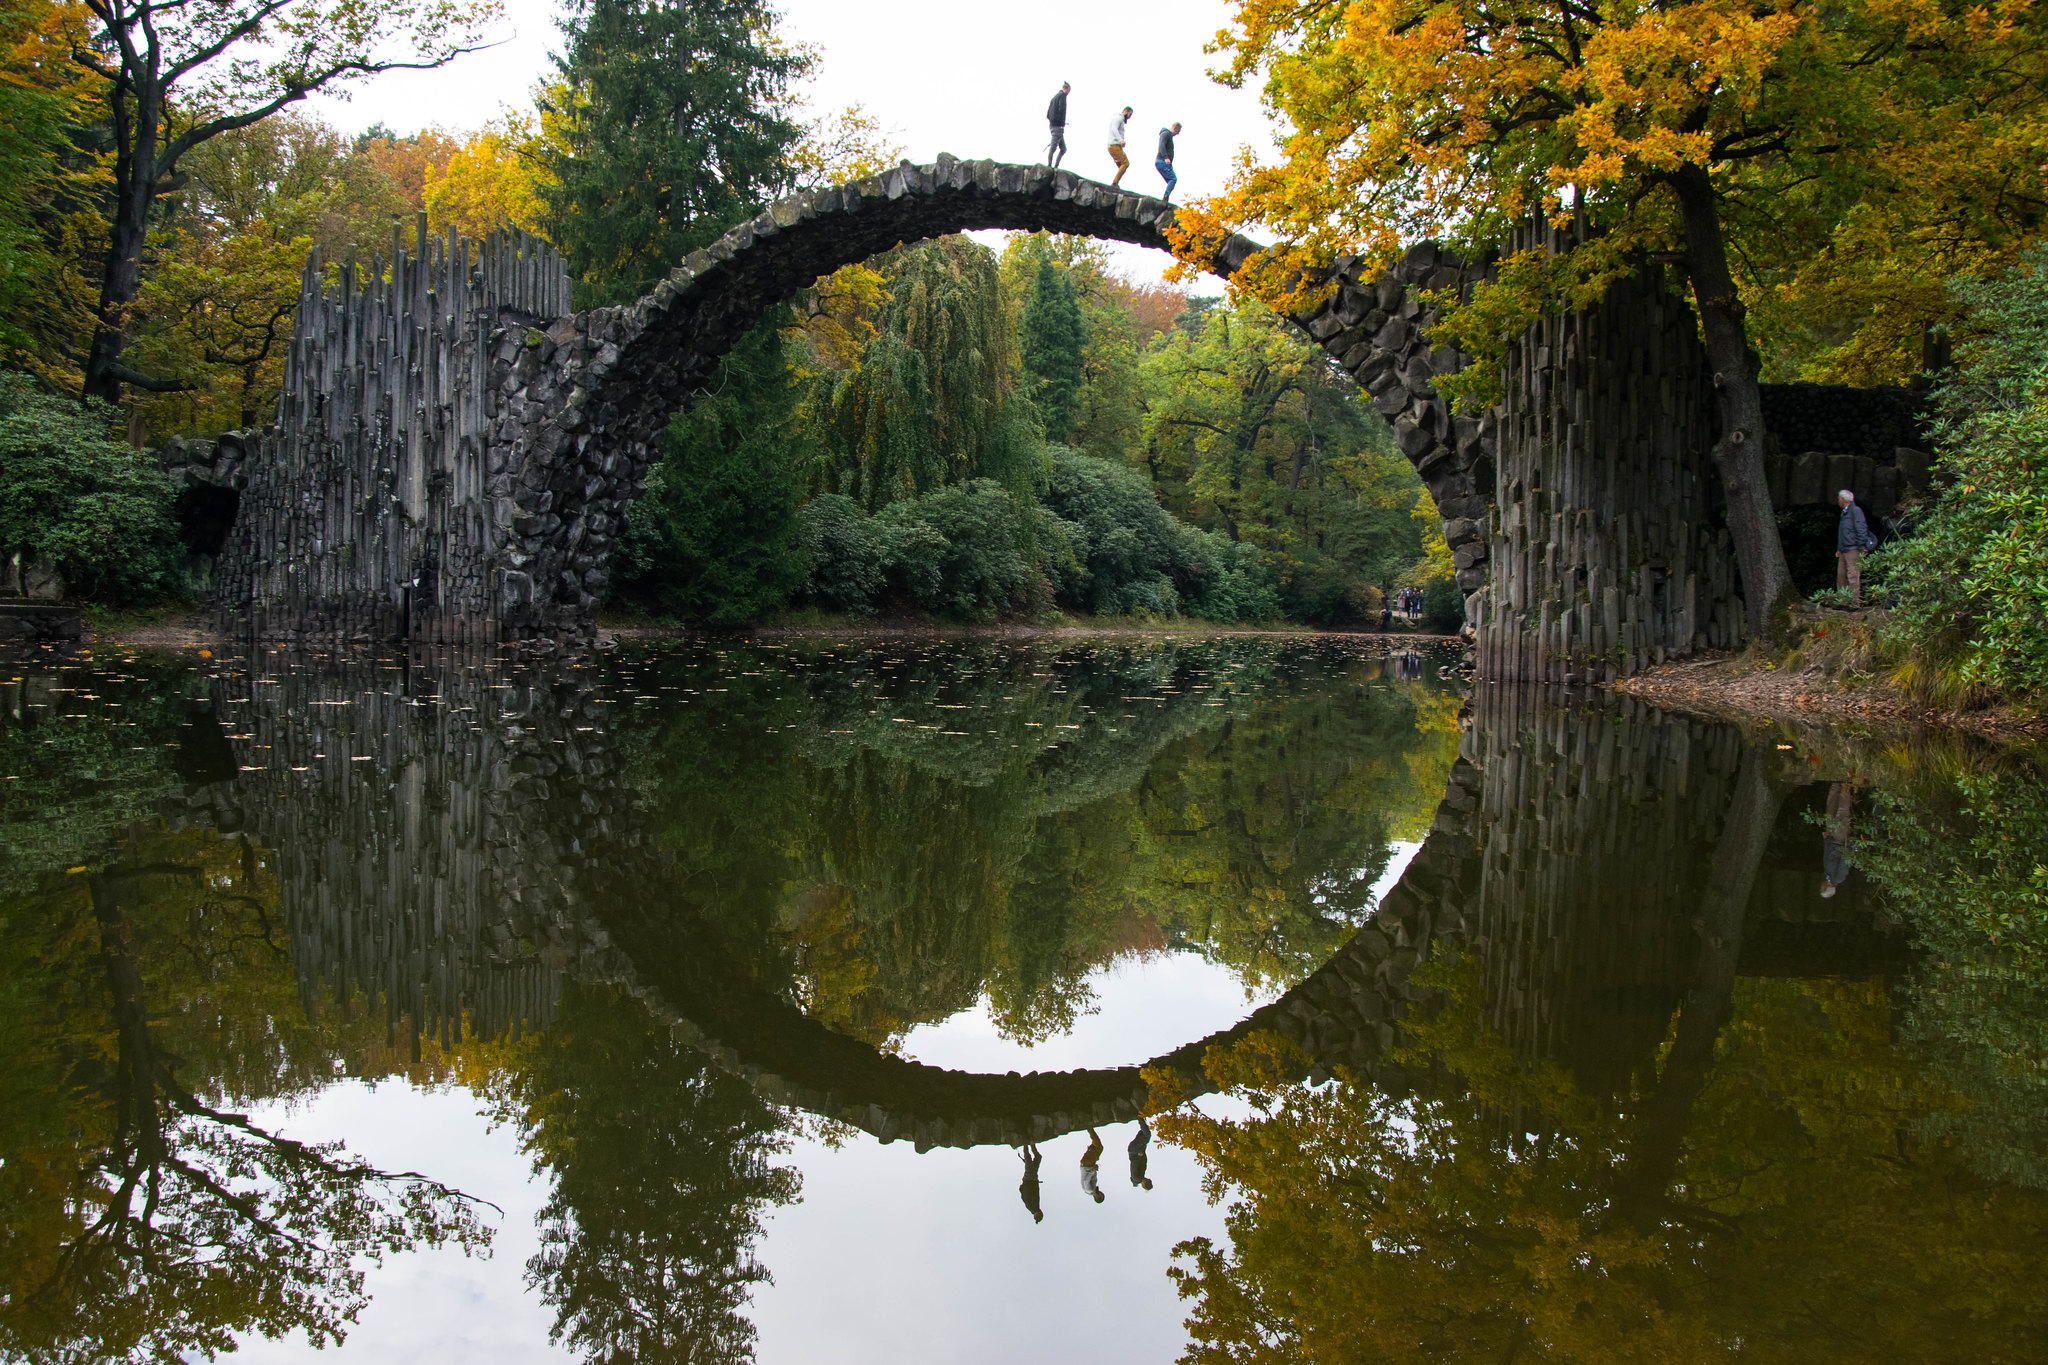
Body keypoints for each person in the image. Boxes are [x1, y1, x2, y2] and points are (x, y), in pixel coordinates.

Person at [1836, 489, 1877, 606]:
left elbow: (1861, 528)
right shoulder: (1845, 512)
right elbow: (1843, 532)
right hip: (1844, 548)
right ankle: (1843, 601)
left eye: (1839, 498)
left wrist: (1861, 545)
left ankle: (1854, 603)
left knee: (1853, 576)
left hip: (1853, 548)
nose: (1838, 500)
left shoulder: (1855, 511)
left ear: (1843, 499)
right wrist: (1839, 547)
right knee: (1841, 575)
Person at [1821, 781, 1854, 898]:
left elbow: (1827, 855)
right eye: (1822, 888)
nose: (1820, 886)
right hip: (1839, 840)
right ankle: (1845, 788)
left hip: (1831, 838)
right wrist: (1850, 846)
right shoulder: (1838, 877)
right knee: (1842, 813)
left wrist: (1826, 840)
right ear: (1826, 888)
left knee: (1830, 810)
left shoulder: (1827, 875)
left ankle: (1835, 785)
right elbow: (1845, 861)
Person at [1045, 83, 1071, 168]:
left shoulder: (1054, 98)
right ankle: (1050, 166)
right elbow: (1062, 109)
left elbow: (1048, 114)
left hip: (1052, 125)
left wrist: (1052, 120)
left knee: (1063, 148)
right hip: (1058, 127)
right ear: (1066, 89)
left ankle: (1055, 166)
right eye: (1069, 91)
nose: (1068, 93)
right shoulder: (1062, 96)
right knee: (1054, 147)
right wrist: (1061, 123)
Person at [1017, 1143, 1044, 1223]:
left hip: (1030, 1179)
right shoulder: (1035, 1207)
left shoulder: (1032, 1206)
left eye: (1041, 1214)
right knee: (1037, 1158)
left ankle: (1026, 1142)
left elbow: (1027, 1193)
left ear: (1037, 1214)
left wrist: (1025, 1185)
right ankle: (1031, 1143)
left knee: (1028, 1158)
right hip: (1033, 1178)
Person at [1107, 105, 1133, 186]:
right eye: (1130, 114)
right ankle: (1115, 182)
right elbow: (1114, 128)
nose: (1130, 117)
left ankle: (1116, 182)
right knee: (1125, 163)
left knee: (1121, 166)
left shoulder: (1118, 118)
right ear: (1125, 111)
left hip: (1115, 146)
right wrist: (1121, 140)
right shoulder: (1118, 118)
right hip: (1114, 145)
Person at [1155, 122, 1181, 201]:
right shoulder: (1166, 134)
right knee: (1173, 179)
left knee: (1171, 181)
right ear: (1175, 128)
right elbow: (1161, 145)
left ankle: (1166, 196)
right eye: (1178, 131)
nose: (1178, 133)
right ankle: (1166, 197)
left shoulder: (1168, 135)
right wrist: (1166, 157)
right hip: (1162, 161)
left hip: (1164, 162)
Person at [1079, 1127, 1105, 1203]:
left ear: (1097, 1197)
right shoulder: (1092, 1189)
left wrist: (1093, 1170)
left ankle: (1089, 1128)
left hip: (1087, 1165)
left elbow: (1086, 1180)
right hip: (1088, 1164)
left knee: (1099, 1147)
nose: (1101, 1192)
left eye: (1101, 1194)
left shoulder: (1089, 1189)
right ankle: (1090, 1129)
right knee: (1097, 1148)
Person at [1127, 1117, 1153, 1190]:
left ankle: (1139, 1116)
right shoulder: (1140, 1176)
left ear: (1144, 1183)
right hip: (1137, 1150)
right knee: (1144, 1132)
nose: (1149, 1179)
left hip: (1135, 1151)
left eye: (1148, 1181)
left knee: (1147, 1135)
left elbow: (1134, 1165)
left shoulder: (1137, 1177)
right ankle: (1141, 1117)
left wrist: (1139, 1156)